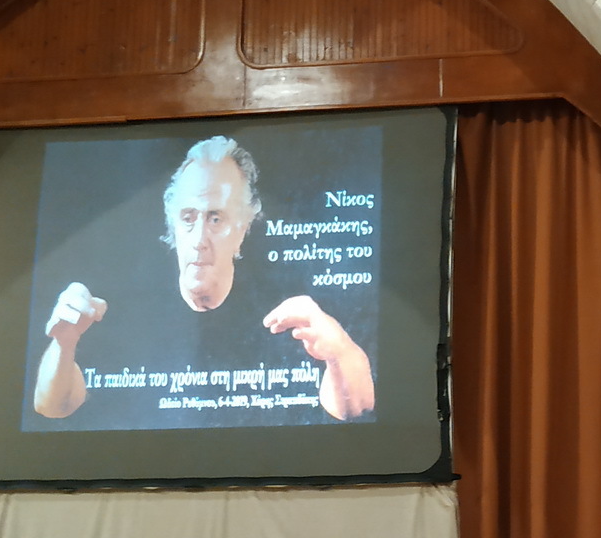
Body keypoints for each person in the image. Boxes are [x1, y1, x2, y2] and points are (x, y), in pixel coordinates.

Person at [32, 136, 375, 423]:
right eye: (188, 218)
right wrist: (64, 343)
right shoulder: (115, 308)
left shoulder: (294, 313)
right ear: (173, 225)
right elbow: (52, 405)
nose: (198, 239)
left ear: (242, 228)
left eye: (215, 219)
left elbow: (355, 408)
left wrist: (339, 352)